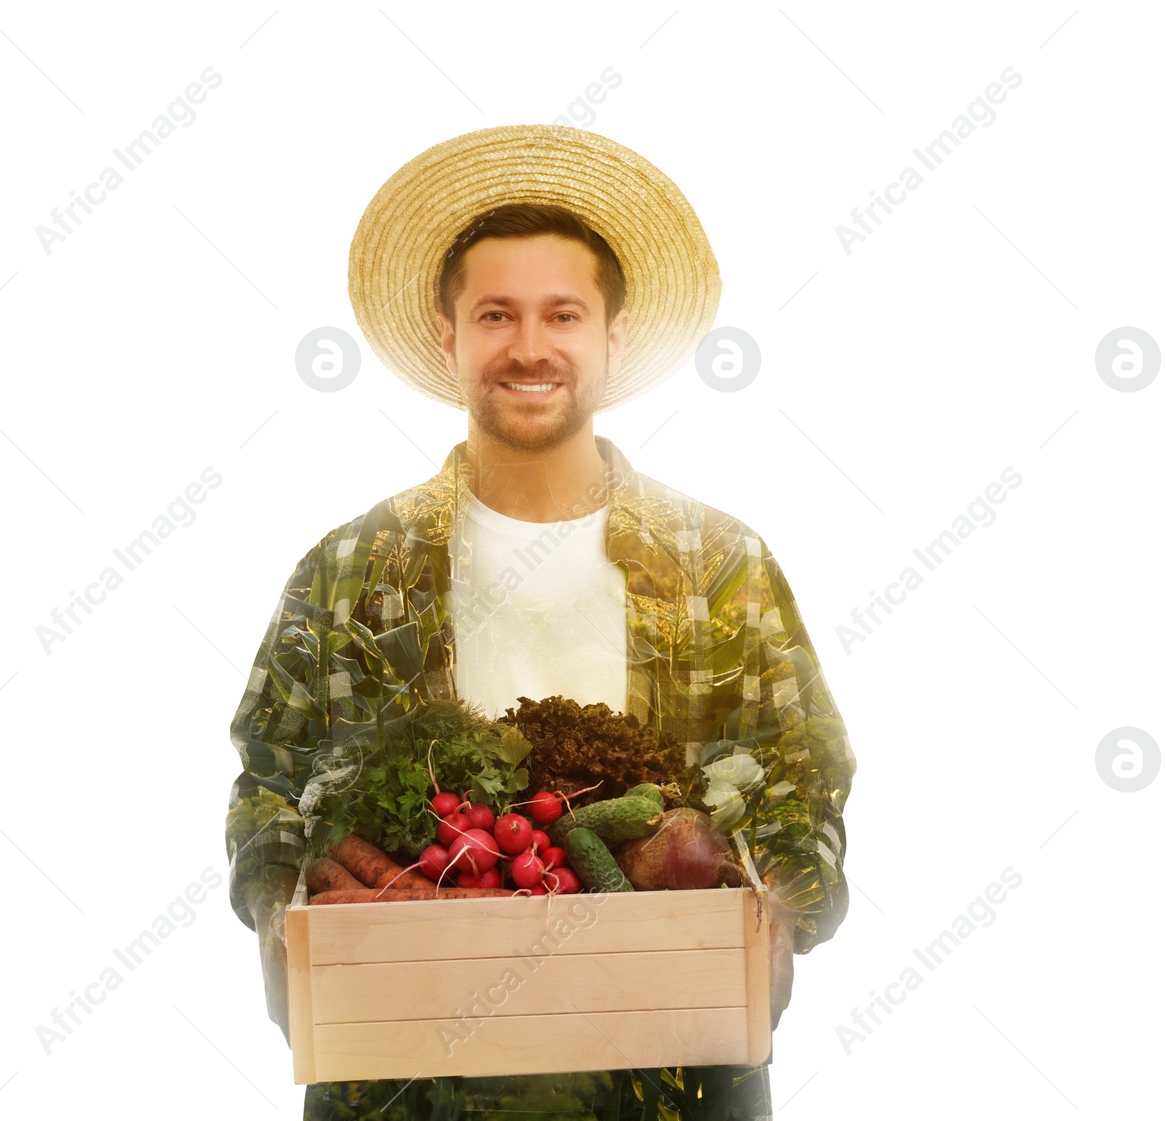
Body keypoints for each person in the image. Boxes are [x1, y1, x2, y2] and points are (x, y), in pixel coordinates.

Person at [225, 123, 857, 1121]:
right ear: (449, 338)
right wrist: (283, 912)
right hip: (408, 1079)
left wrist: (779, 909)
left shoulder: (718, 563)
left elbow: (800, 772)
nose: (528, 346)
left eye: (562, 313)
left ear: (611, 339)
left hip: (668, 1074)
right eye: (494, 314)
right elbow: (267, 781)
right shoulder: (347, 570)